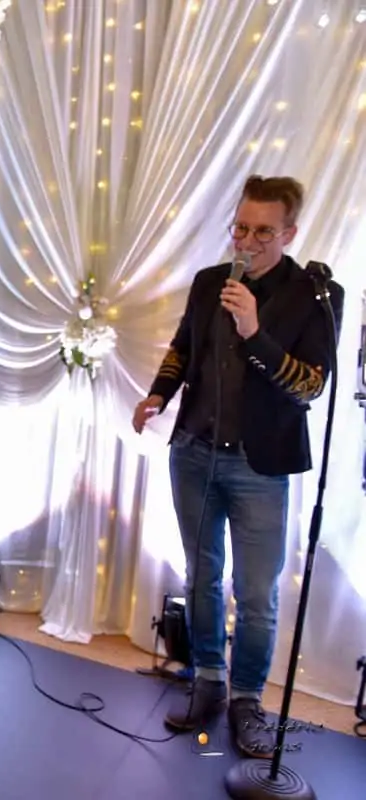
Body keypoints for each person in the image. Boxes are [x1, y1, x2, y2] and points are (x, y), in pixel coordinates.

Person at [132, 175, 343, 758]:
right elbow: (184, 346)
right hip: (194, 453)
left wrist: (255, 331)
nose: (247, 242)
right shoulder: (209, 282)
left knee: (255, 593)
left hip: (260, 465)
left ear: (289, 233)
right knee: (200, 577)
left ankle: (247, 700)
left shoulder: (317, 296)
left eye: (262, 232)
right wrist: (158, 394)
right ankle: (208, 683)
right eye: (241, 228)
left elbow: (310, 385)